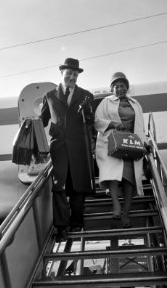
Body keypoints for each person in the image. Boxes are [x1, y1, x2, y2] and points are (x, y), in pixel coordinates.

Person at [40, 58, 94, 242]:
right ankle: (62, 227)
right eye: (69, 73)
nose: (72, 77)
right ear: (61, 73)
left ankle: (77, 223)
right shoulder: (49, 95)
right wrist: (30, 127)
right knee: (59, 186)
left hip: (79, 147)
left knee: (78, 186)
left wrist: (88, 112)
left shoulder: (87, 95)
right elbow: (43, 121)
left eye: (75, 74)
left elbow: (90, 121)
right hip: (59, 146)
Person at [94, 72, 148, 228]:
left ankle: (125, 213)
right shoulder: (106, 102)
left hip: (130, 144)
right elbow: (97, 121)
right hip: (111, 143)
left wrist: (144, 144)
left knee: (129, 178)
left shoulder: (135, 104)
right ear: (112, 88)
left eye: (122, 86)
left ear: (127, 87)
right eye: (116, 86)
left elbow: (140, 127)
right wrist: (112, 124)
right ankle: (116, 204)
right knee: (113, 175)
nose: (119, 89)